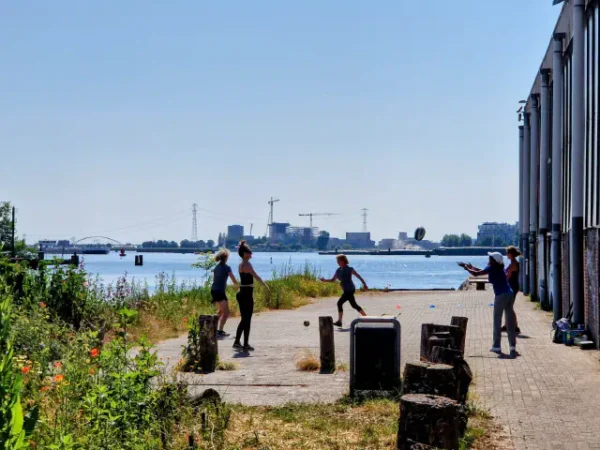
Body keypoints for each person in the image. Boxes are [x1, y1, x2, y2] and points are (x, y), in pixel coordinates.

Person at [459, 252, 517, 357]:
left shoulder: (492, 268)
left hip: (501, 295)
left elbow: (476, 274)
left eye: (490, 258)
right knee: (509, 321)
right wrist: (471, 267)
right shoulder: (498, 267)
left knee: (497, 320)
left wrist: (466, 268)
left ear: (493, 260)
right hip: (509, 294)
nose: (488, 258)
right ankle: (512, 347)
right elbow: (480, 270)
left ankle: (496, 346)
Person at [233, 240, 269, 351]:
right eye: (249, 252)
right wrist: (265, 285)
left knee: (245, 319)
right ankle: (245, 344)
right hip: (246, 294)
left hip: (243, 293)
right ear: (244, 254)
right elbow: (256, 276)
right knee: (247, 320)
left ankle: (237, 342)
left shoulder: (241, 264)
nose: (251, 254)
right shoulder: (246, 264)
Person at [320, 254, 368, 327]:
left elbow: (358, 276)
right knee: (354, 305)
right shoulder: (338, 270)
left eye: (338, 260)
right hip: (346, 290)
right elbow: (333, 280)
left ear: (343, 261)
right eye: (337, 261)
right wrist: (324, 280)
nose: (337, 262)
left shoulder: (350, 269)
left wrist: (364, 284)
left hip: (350, 289)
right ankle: (366, 317)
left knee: (340, 303)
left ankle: (340, 321)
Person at [210, 248, 239, 337]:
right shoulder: (227, 267)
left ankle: (212, 327)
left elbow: (214, 280)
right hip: (220, 292)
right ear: (226, 258)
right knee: (226, 313)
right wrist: (238, 286)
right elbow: (233, 279)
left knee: (221, 311)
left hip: (214, 291)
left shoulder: (216, 267)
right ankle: (219, 330)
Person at [502, 246, 521, 334]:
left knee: (509, 307)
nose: (506, 254)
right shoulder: (513, 263)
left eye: (507, 253)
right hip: (511, 286)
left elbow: (508, 275)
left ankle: (515, 326)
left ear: (511, 254)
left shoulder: (514, 264)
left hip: (513, 287)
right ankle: (507, 325)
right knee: (508, 307)